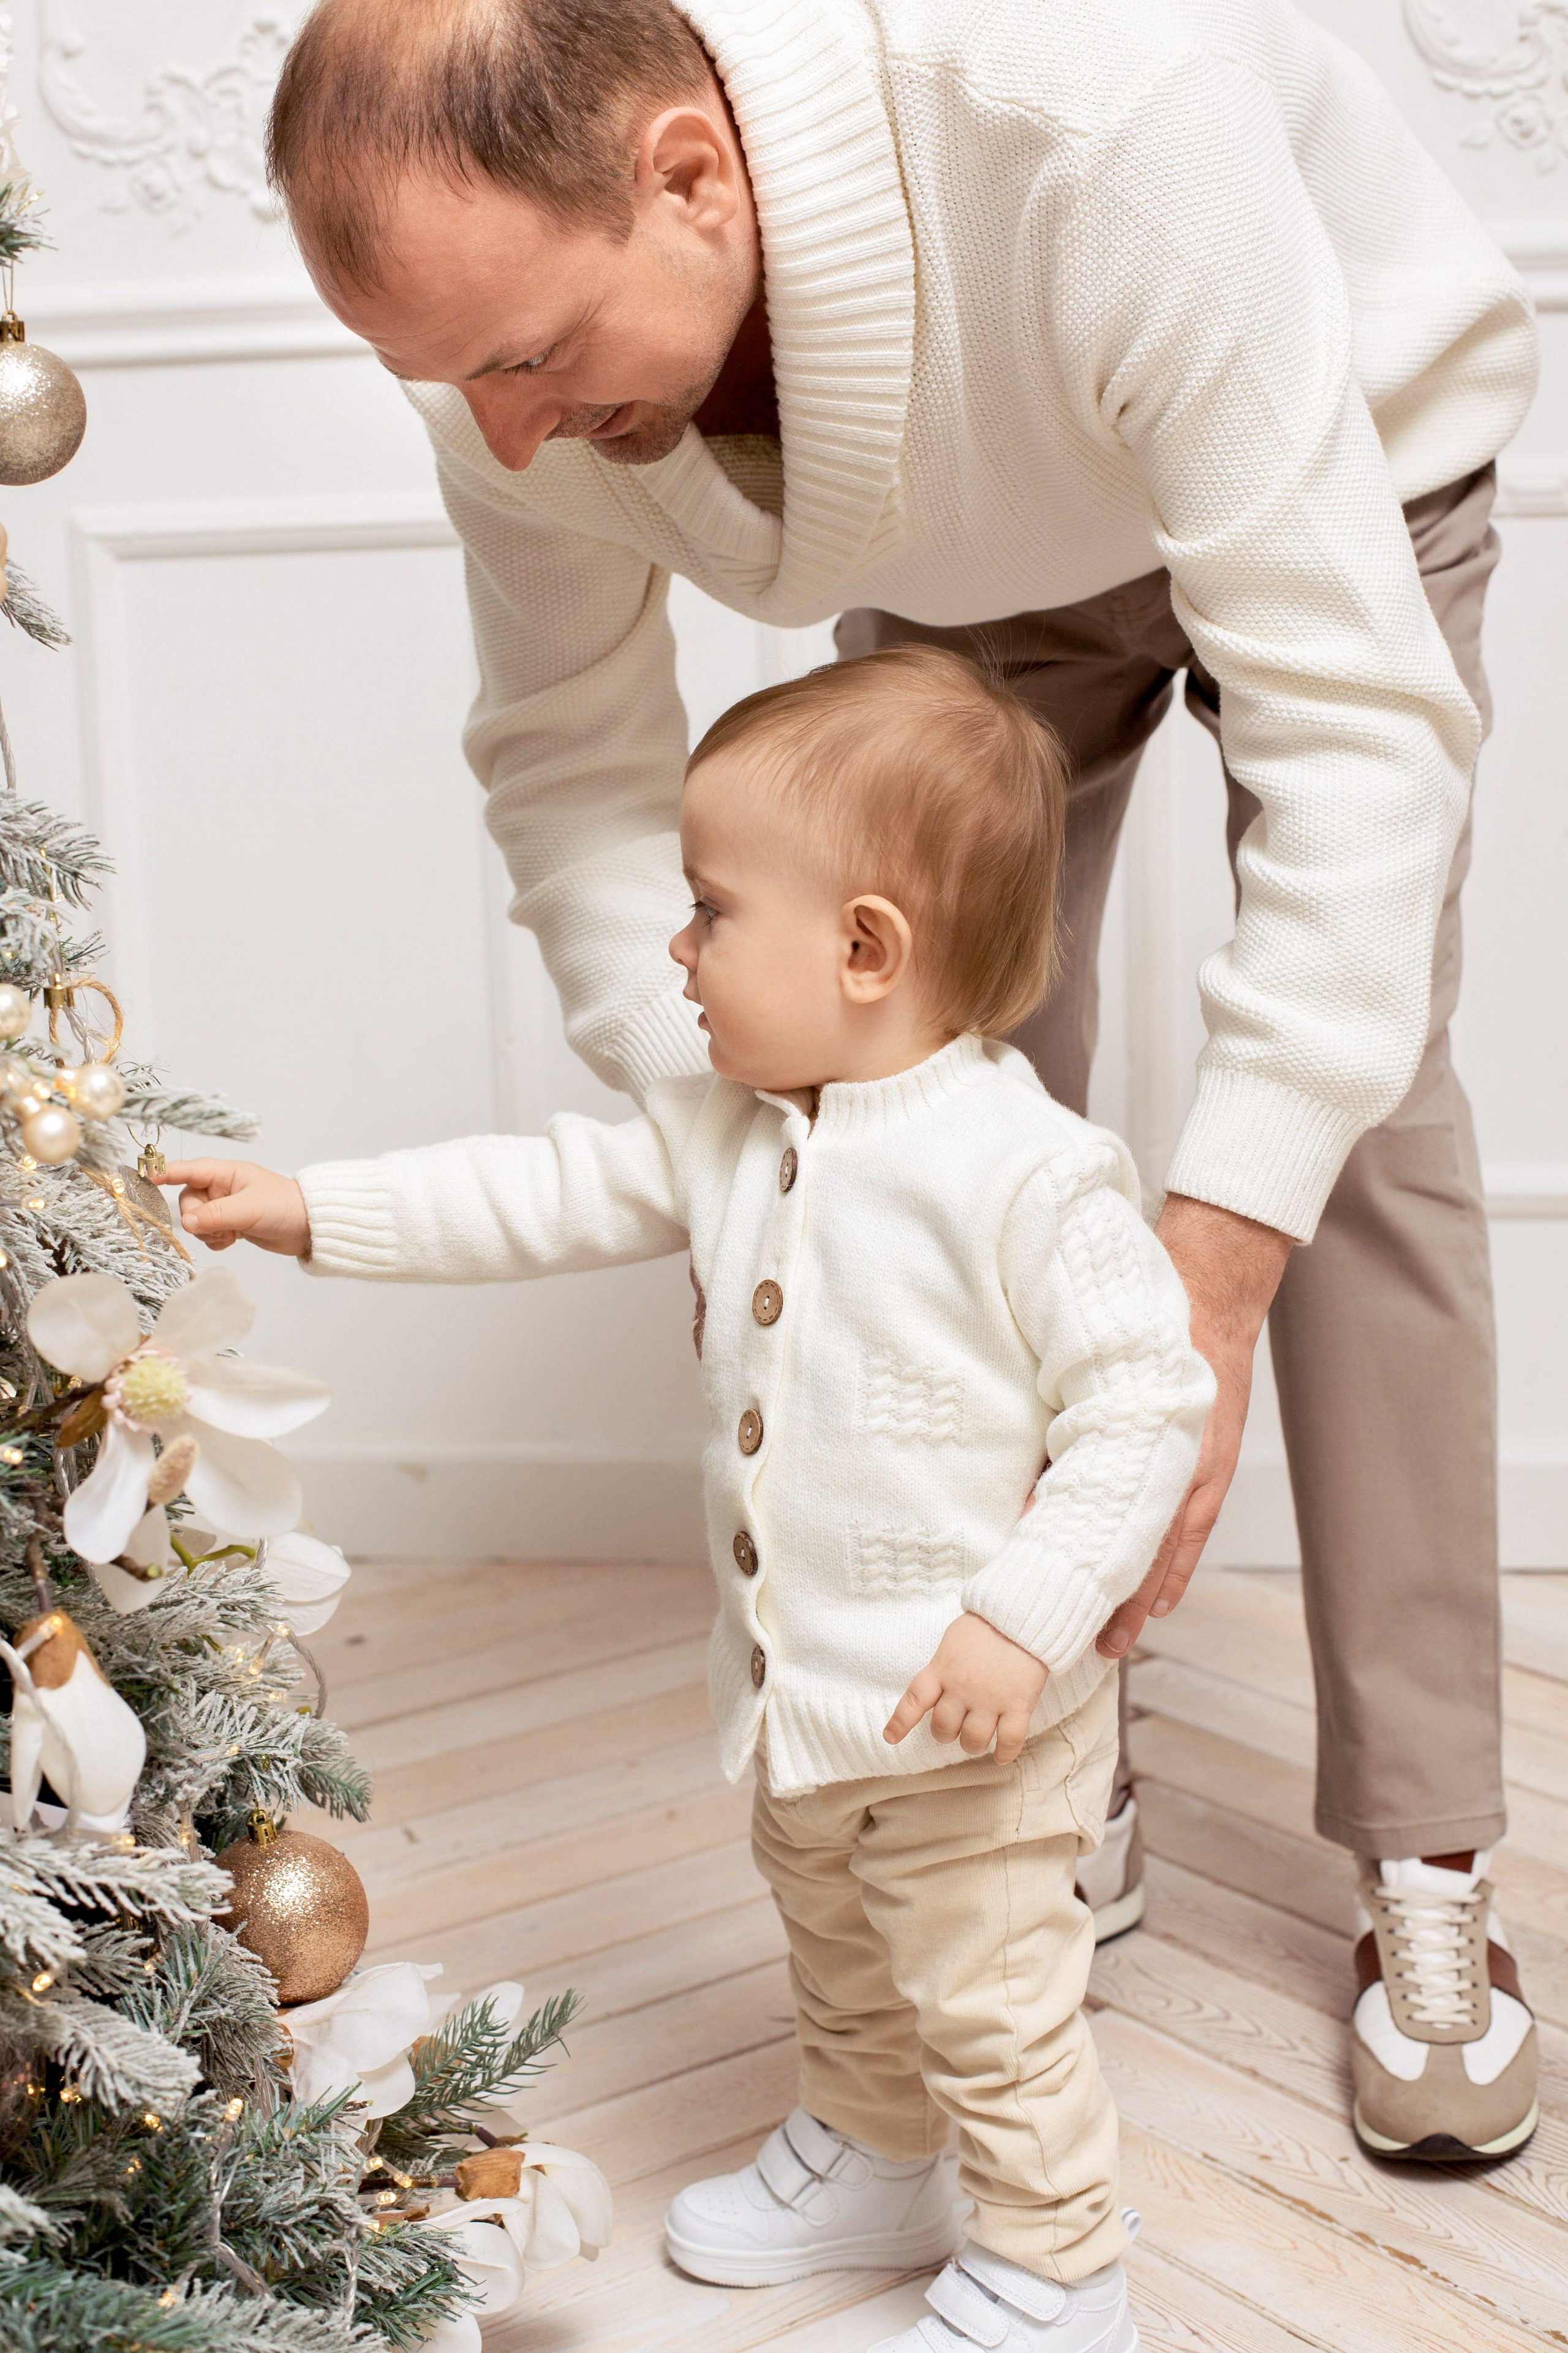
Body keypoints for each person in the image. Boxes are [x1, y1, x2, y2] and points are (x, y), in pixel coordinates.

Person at [262, 0, 1541, 2161]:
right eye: (452, 382)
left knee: (1359, 1101)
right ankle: (1035, 1755)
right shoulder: (521, 352)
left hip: (1328, 463)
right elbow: (573, 761)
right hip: (964, 558)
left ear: (690, 173)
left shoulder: (1100, 110)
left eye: (530, 363)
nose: (503, 443)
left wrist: (1208, 1280)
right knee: (902, 1091)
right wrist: (751, 1134)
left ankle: (1429, 1859)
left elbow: (1353, 736)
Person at [163, 649, 1215, 2352]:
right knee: (846, 1958)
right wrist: (306, 1205)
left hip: (977, 1731)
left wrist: (1021, 1618)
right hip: (802, 1711)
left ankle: (1058, 2263)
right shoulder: (738, 1126)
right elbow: (537, 1190)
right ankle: (874, 2152)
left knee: (995, 1998)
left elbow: (1146, 1402)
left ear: (864, 947)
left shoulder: (1029, 1171)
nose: (677, 947)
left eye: (713, 910)